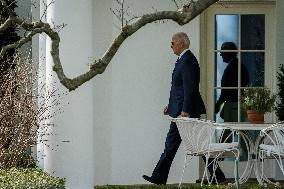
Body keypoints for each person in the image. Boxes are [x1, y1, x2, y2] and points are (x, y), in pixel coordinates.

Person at [143, 32, 207, 185]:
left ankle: (158, 177)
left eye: (172, 43)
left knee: (176, 144)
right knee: (187, 144)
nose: (171, 46)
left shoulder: (187, 61)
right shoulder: (183, 60)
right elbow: (178, 88)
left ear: (182, 44)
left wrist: (185, 110)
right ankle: (159, 177)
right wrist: (170, 106)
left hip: (185, 112)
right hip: (180, 110)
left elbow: (190, 88)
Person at [215, 42, 250, 121]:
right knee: (236, 130)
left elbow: (226, 91)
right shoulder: (238, 66)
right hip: (235, 105)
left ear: (228, 52)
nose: (220, 54)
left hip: (233, 106)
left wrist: (217, 105)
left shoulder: (234, 67)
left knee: (229, 131)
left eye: (222, 52)